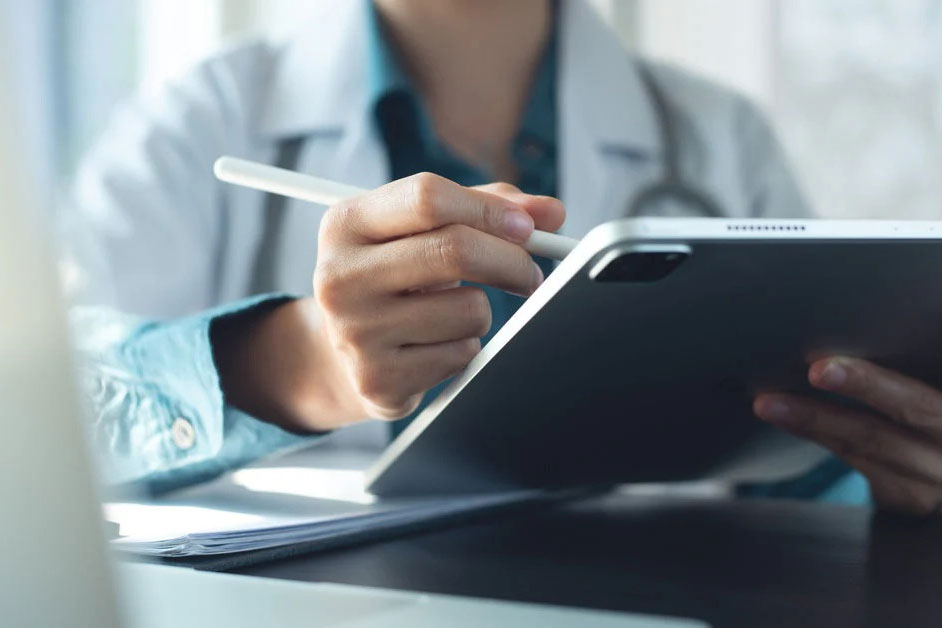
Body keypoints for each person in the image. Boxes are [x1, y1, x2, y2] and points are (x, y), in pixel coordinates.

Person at [66, 0, 942, 515]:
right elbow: (41, 420)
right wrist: (294, 364)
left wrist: (898, 467)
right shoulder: (190, 126)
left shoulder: (724, 139)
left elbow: (809, 441)